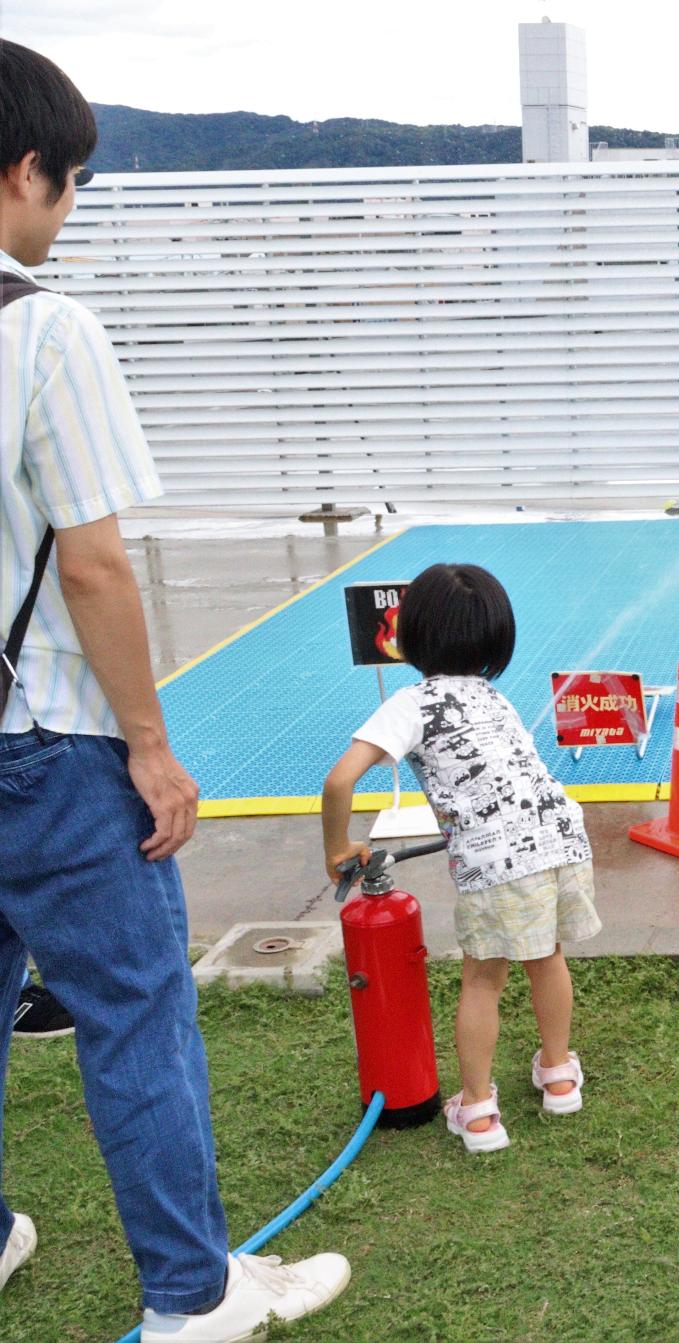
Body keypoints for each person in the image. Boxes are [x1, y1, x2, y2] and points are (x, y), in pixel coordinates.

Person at [0, 39, 353, 1340]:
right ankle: (192, 1295)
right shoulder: (44, 329)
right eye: (71, 178)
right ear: (29, 171)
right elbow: (93, 564)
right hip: (44, 743)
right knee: (137, 1010)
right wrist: (149, 745)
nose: (69, 206)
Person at [322, 563, 601, 1154]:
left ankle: (477, 1112)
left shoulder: (412, 702)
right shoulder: (493, 696)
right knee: (546, 955)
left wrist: (337, 848)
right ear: (495, 637)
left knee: (483, 977)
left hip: (499, 861)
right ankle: (559, 1076)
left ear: (412, 633)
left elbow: (339, 781)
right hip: (560, 837)